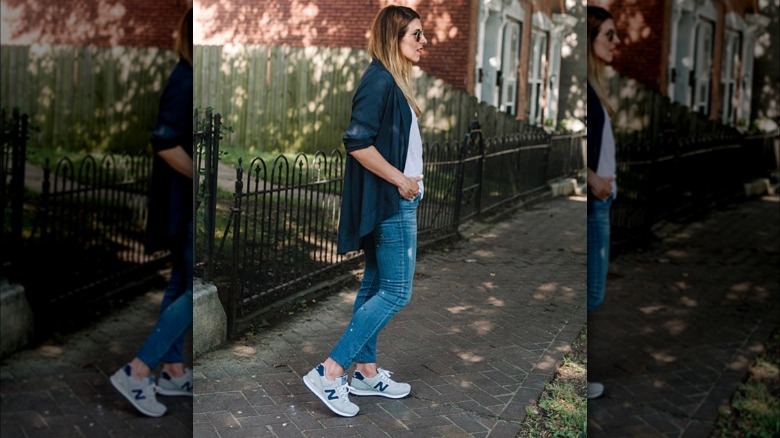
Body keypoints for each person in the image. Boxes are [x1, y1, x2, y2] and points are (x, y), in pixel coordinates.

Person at [302, 5, 427, 417]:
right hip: (393, 201)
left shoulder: (391, 80)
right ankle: (330, 371)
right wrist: (400, 180)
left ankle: (366, 372)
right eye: (416, 35)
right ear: (396, 39)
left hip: (399, 198)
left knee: (375, 285)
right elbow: (357, 143)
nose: (424, 42)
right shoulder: (379, 80)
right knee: (396, 292)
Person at [109, 7, 194, 417]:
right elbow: (163, 141)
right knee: (195, 289)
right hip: (181, 202)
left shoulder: (190, 75)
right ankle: (138, 371)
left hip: (183, 202)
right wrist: (204, 178)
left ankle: (173, 370)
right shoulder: (186, 78)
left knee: (181, 284)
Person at [586, 5, 620, 400]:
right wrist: (594, 180)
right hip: (595, 203)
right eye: (608, 34)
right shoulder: (588, 90)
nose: (615, 42)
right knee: (592, 292)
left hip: (603, 201)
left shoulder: (597, 87)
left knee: (594, 291)